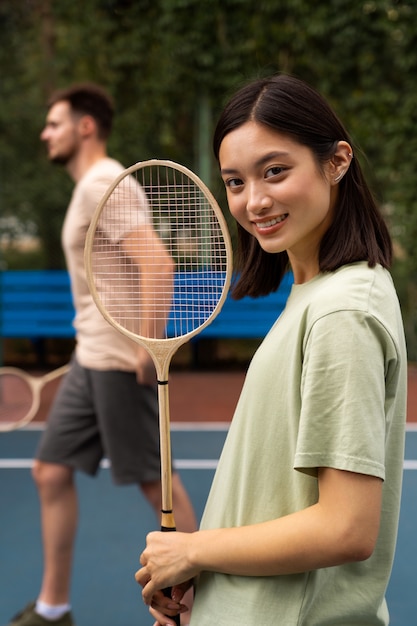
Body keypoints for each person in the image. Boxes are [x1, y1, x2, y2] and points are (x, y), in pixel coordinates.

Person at [135, 74, 407, 625]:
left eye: (275, 171)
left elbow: (346, 528)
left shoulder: (340, 313)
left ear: (337, 162)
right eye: (235, 182)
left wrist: (193, 549)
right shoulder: (319, 294)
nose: (254, 200)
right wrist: (201, 569)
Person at [8, 83, 197, 626]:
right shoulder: (90, 186)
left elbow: (158, 265)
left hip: (116, 362)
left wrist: (146, 347)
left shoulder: (103, 185)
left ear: (84, 126)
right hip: (89, 358)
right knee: (48, 471)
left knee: (156, 484)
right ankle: (53, 608)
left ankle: (204, 602)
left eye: (54, 123)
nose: (46, 132)